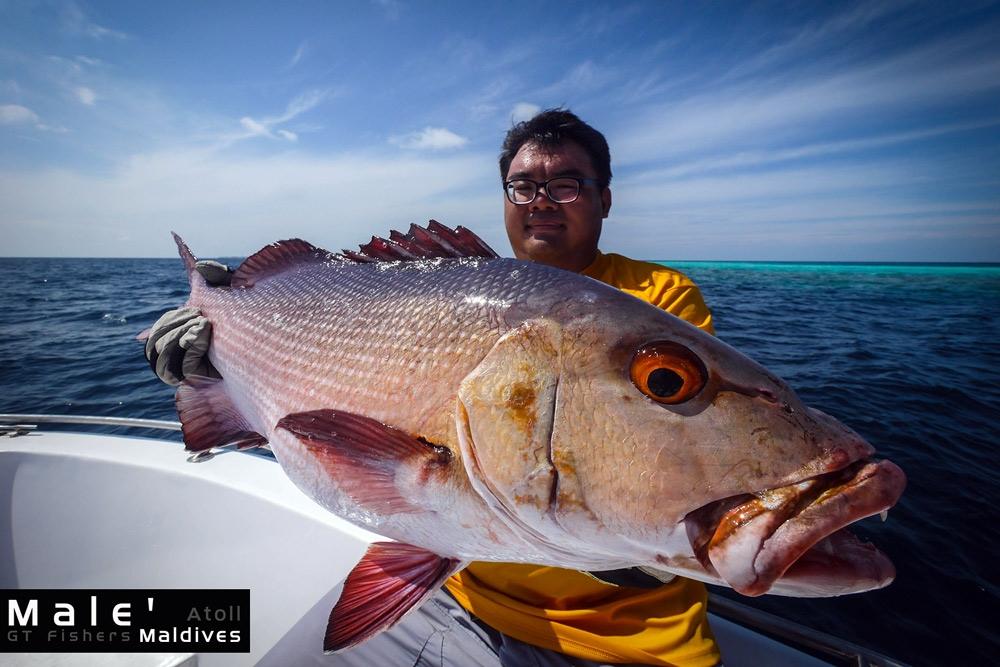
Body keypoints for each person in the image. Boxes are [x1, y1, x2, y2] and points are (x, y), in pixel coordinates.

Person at [144, 109, 720, 666]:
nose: (540, 200)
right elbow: (301, 394)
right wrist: (209, 363)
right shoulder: (461, 284)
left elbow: (676, 462)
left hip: (627, 641)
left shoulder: (655, 302)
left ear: (605, 199)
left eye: (566, 184)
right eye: (522, 186)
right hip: (456, 594)